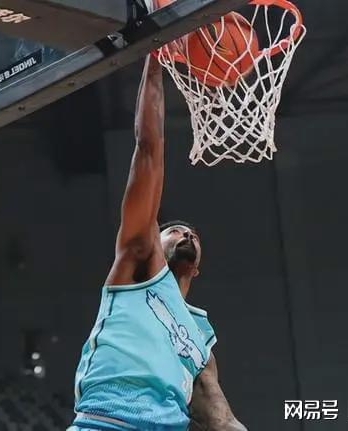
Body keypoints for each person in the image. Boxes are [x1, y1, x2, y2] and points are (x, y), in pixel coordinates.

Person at [69, 56, 246, 431]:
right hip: (107, 423)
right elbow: (148, 149)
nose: (186, 234)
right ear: (154, 241)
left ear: (197, 268)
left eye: (192, 234)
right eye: (174, 230)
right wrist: (154, 62)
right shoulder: (139, 264)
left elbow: (220, 418)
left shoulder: (202, 336)